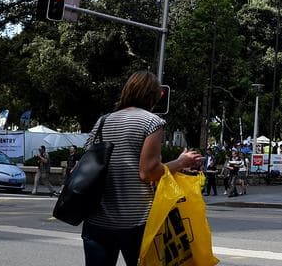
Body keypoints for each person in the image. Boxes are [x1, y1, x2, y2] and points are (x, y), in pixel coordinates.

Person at [81, 70, 202, 266]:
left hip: (98, 219)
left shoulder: (103, 121)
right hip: (135, 220)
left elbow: (88, 161)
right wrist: (181, 162)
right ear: (153, 95)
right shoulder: (152, 122)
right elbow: (148, 172)